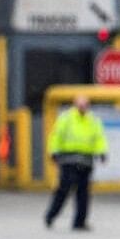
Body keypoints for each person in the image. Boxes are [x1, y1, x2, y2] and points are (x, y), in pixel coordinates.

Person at [44, 95, 108, 230]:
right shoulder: (66, 118)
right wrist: (54, 151)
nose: (83, 107)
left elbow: (99, 138)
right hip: (69, 160)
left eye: (85, 105)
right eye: (80, 105)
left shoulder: (93, 120)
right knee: (63, 190)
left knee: (83, 193)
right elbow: (57, 135)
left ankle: (79, 221)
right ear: (75, 105)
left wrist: (102, 152)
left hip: (86, 161)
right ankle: (50, 216)